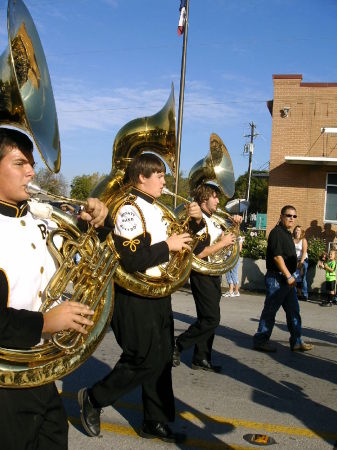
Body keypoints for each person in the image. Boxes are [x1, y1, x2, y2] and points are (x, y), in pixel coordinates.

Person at [78, 153, 203, 443]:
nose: (164, 180)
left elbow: (186, 247)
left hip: (158, 294)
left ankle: (154, 420)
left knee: (160, 360)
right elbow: (132, 260)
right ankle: (94, 399)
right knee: (142, 357)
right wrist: (168, 246)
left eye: (163, 174)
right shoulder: (129, 210)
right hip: (134, 296)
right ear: (140, 178)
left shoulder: (157, 209)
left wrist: (194, 226)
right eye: (158, 175)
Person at [0, 127, 109, 450]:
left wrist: (101, 224)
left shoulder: (41, 217)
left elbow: (93, 257)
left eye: (31, 162)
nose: (32, 171)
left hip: (41, 374)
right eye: (19, 163)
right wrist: (46, 323)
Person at [172, 183, 238, 373]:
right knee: (211, 319)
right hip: (202, 274)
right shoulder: (198, 219)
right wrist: (223, 242)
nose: (218, 200)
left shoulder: (214, 219)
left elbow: (227, 244)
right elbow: (199, 253)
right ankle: (178, 345)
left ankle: (201, 357)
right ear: (204, 199)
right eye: (215, 196)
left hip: (214, 273)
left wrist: (235, 228)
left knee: (207, 319)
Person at [252, 205, 313, 353]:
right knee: (270, 311)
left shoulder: (286, 233)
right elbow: (277, 257)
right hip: (278, 278)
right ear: (281, 216)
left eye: (294, 216)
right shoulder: (277, 233)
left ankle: (297, 341)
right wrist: (288, 276)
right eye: (288, 215)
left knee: (293, 311)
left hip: (287, 280)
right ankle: (261, 340)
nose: (291, 218)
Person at [293, 225, 309, 301]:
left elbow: (304, 252)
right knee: (295, 277)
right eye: (296, 230)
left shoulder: (303, 240)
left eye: (298, 230)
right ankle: (296, 294)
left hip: (303, 260)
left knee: (303, 277)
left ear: (301, 232)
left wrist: (301, 263)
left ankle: (304, 294)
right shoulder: (292, 239)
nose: (297, 231)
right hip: (295, 261)